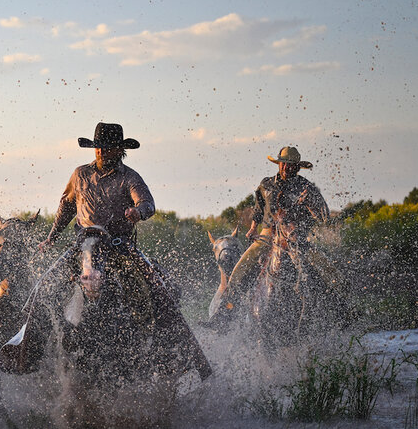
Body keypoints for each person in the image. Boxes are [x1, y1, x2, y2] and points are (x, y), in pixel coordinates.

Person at [39, 122, 211, 378]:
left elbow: (148, 203)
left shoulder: (130, 177)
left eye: (107, 148)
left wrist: (137, 212)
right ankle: (34, 341)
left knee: (156, 286)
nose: (101, 153)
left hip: (119, 245)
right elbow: (65, 207)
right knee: (45, 285)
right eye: (98, 148)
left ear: (119, 150)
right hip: (82, 244)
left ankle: (165, 342)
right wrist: (52, 236)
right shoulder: (79, 174)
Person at [216, 145, 334, 318]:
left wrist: (311, 202)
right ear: (278, 164)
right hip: (267, 234)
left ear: (297, 166)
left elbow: (324, 216)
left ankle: (343, 310)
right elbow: (259, 208)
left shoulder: (306, 187)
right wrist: (252, 228)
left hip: (297, 237)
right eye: (283, 163)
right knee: (240, 269)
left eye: (291, 164)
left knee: (329, 270)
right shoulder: (266, 184)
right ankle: (225, 313)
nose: (286, 167)